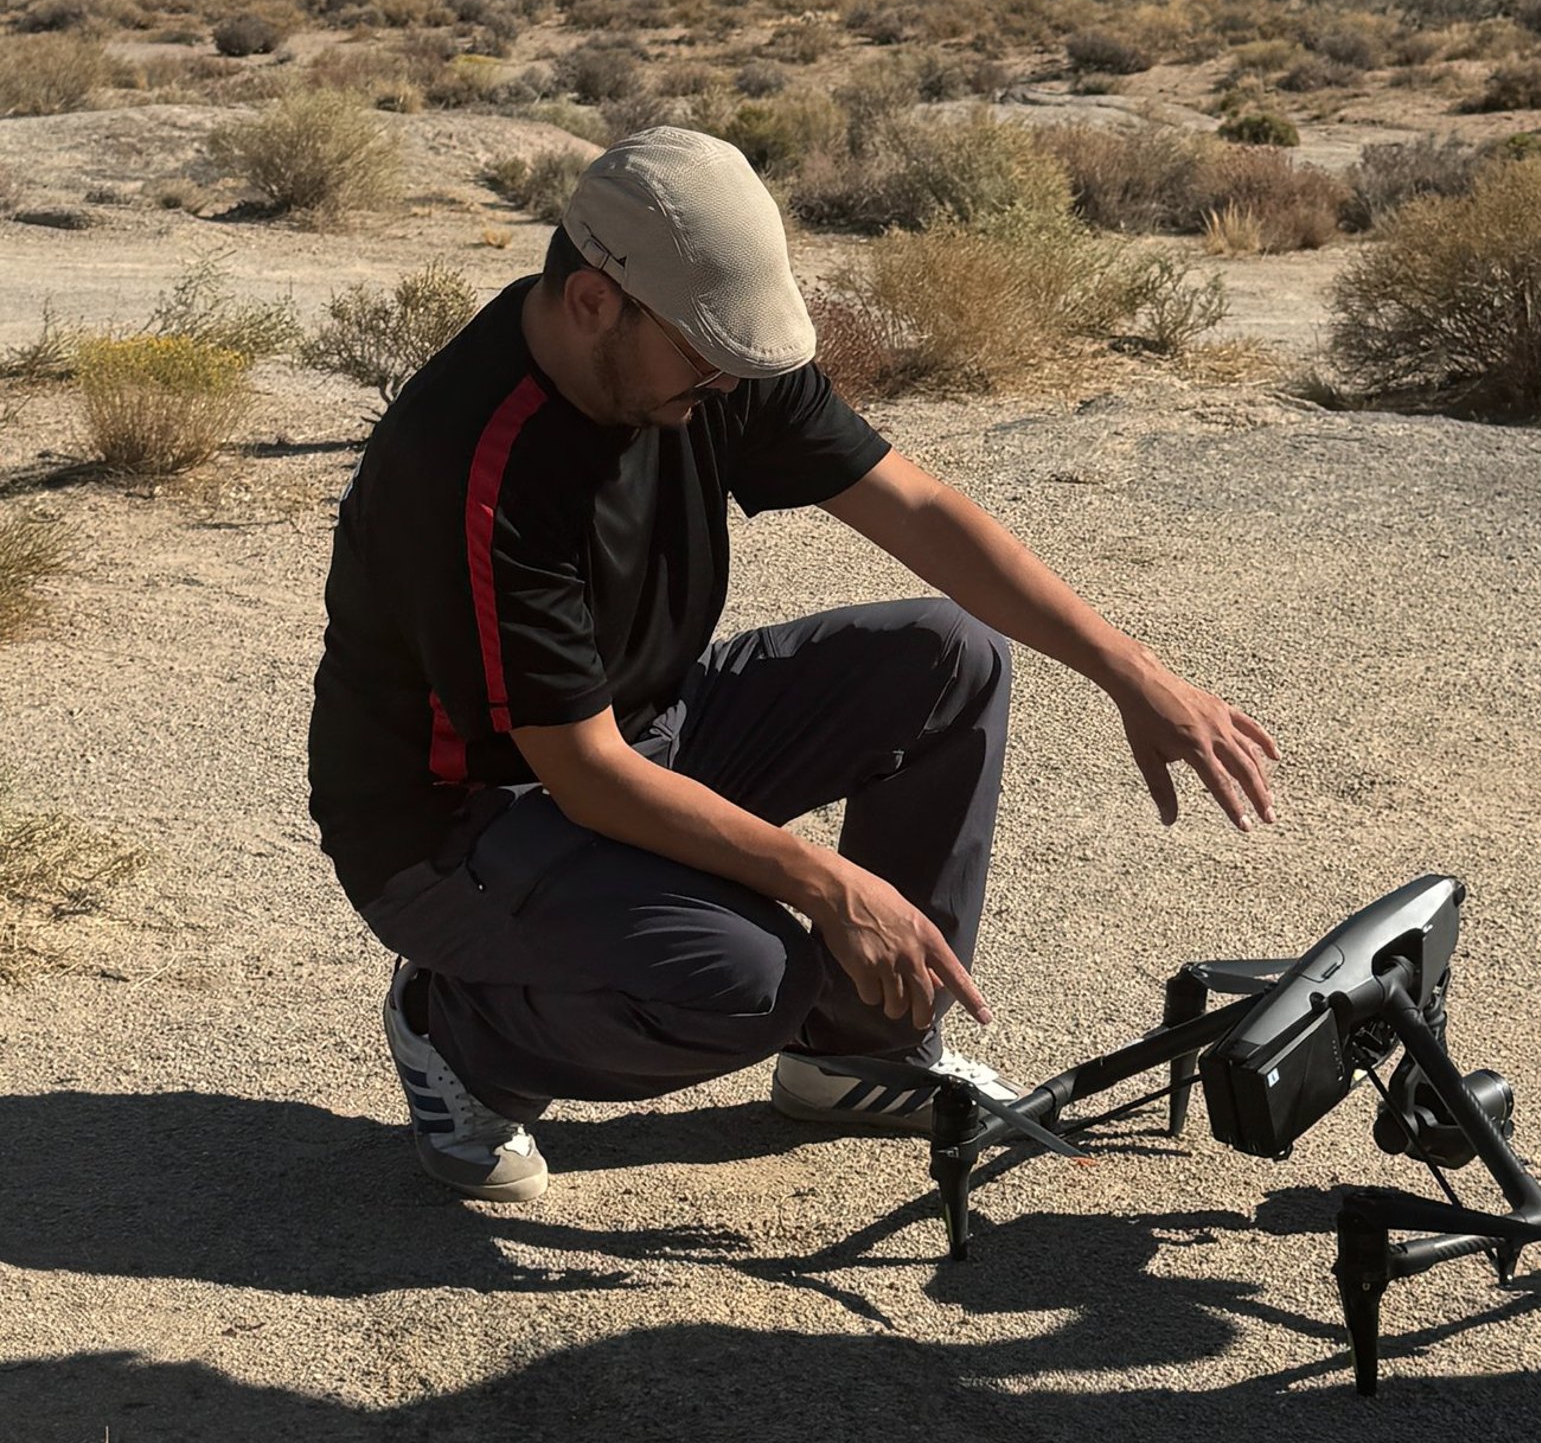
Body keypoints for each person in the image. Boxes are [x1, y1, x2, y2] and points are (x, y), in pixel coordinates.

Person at [307, 128, 1276, 1201]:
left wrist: (1126, 668)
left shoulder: (700, 355)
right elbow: (579, 772)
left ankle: (856, 1053)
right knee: (749, 976)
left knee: (947, 658)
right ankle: (458, 1027)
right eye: (707, 351)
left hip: (642, 731)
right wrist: (825, 882)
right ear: (592, 301)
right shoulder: (476, 460)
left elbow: (919, 509)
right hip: (461, 827)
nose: (730, 377)